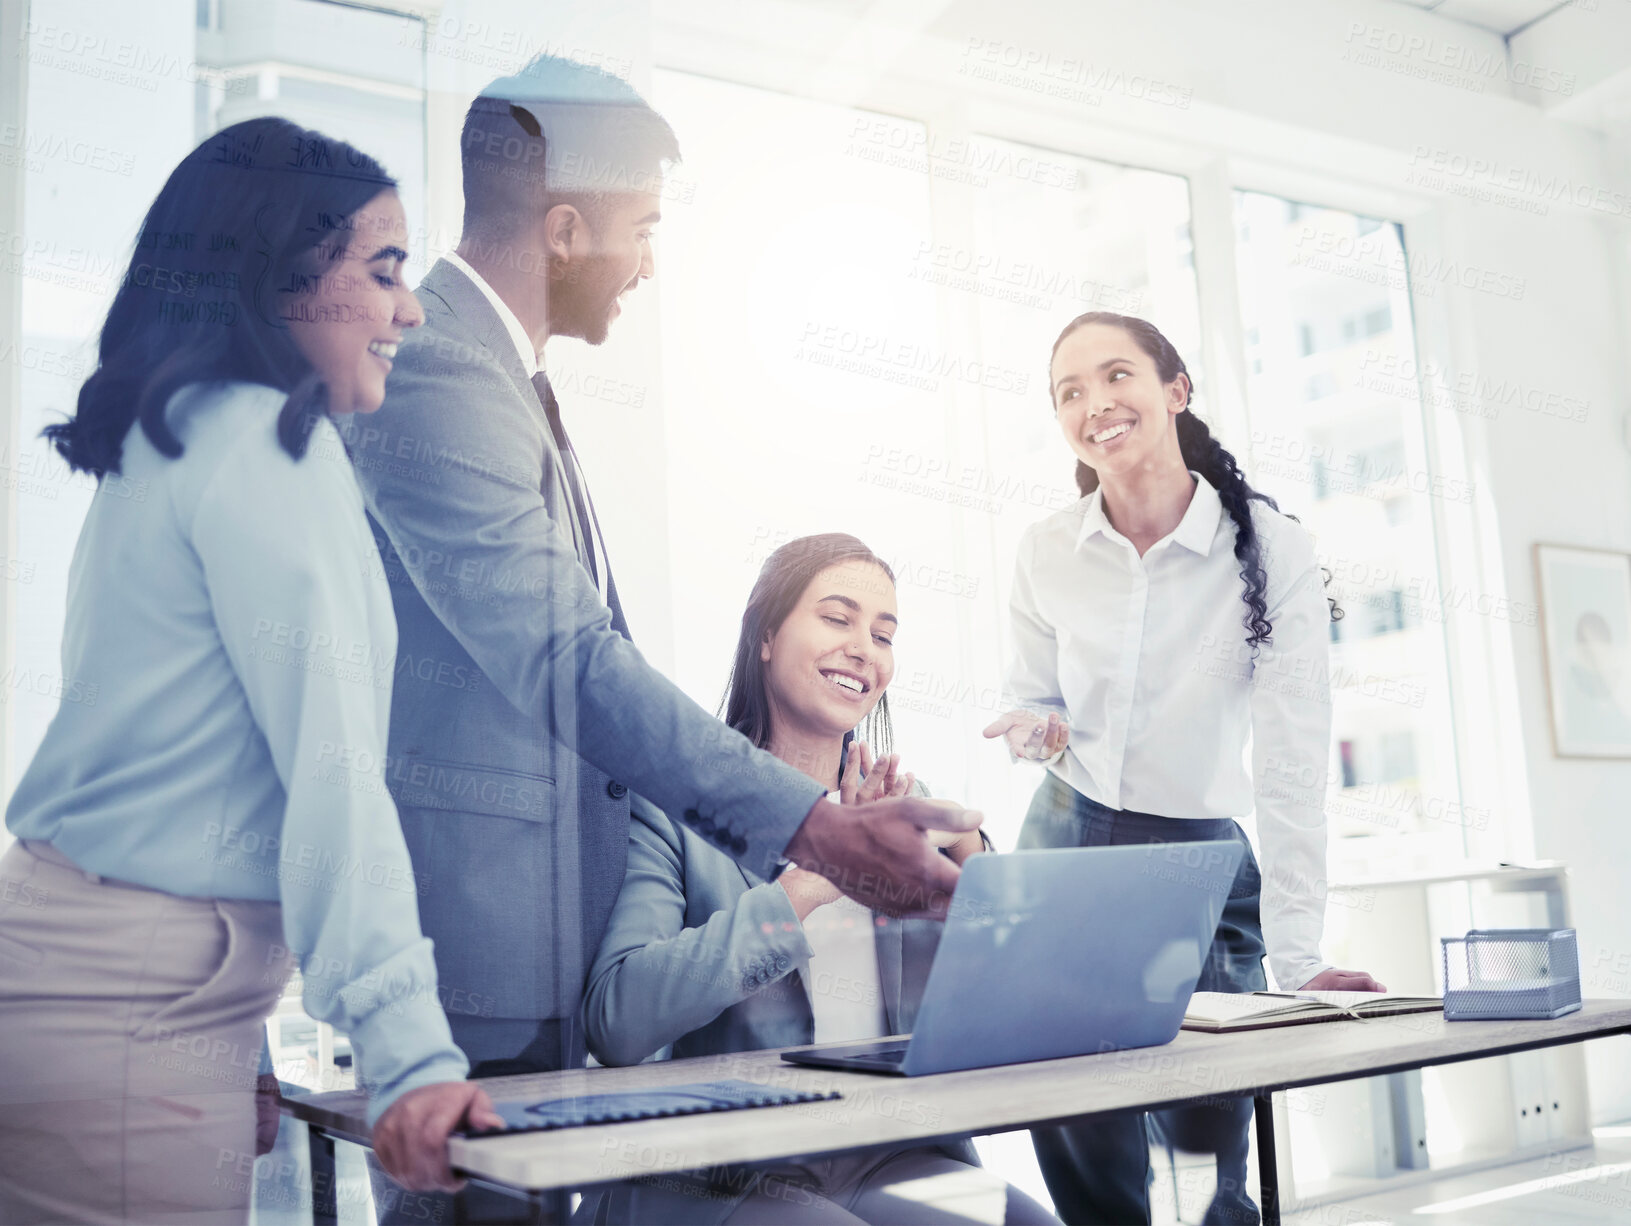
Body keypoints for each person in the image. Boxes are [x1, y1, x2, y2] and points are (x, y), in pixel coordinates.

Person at [348, 56, 977, 1221]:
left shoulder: (509, 381)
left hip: (535, 947)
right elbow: (569, 661)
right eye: (641, 228)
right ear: (569, 226)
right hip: (478, 948)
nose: (648, 261)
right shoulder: (440, 368)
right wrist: (822, 835)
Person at [0, 117, 501, 1225]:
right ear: (280, 276)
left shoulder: (171, 437)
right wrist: (412, 1056)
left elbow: (200, 766)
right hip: (129, 1006)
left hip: (85, 977)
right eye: (381, 271)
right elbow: (331, 780)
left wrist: (237, 1026)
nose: (407, 308)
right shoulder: (269, 446)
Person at [983, 312, 1385, 1226]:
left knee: (1208, 1142)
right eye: (1068, 393)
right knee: (1075, 1113)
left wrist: (1299, 953)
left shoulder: (1269, 548)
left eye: (1114, 375)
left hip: (1199, 859)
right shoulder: (1045, 550)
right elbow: (1034, 698)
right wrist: (1036, 731)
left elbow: (1287, 758)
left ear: (1175, 391)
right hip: (1065, 836)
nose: (1094, 404)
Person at [581, 534, 1056, 1226]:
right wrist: (818, 875)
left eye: (883, 633)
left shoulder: (906, 805)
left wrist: (972, 857)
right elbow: (618, 1021)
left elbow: (1017, 992)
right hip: (724, 1169)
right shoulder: (670, 811)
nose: (865, 647)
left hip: (884, 1155)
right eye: (837, 619)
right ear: (766, 637)